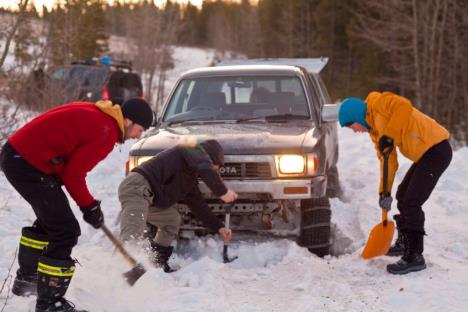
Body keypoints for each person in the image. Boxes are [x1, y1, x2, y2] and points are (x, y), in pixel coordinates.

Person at [0, 98, 153, 311]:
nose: (138, 135)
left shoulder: (100, 115)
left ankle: (27, 280)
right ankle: (49, 303)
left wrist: (87, 205)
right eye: (140, 129)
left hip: (20, 156)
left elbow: (68, 167)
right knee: (66, 230)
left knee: (53, 219)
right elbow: (73, 175)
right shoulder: (106, 132)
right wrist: (89, 206)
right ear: (128, 120)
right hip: (26, 162)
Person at [338, 91, 452, 275]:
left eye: (352, 126)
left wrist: (390, 135)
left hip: (436, 149)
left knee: (411, 202)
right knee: (401, 195)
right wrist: (384, 192)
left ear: (356, 116)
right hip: (424, 155)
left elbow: (404, 106)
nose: (355, 131)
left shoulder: (380, 103)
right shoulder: (375, 132)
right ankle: (403, 243)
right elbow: (387, 161)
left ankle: (415, 256)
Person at [118, 139, 237, 272]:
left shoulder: (189, 178)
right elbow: (205, 167)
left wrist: (219, 228)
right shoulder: (189, 148)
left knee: (172, 220)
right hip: (137, 188)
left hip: (151, 199)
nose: (216, 173)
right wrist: (223, 192)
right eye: (216, 168)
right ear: (209, 157)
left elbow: (199, 206)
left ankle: (155, 265)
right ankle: (117, 273)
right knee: (132, 237)